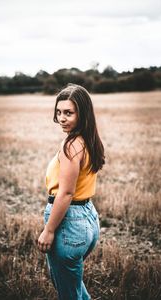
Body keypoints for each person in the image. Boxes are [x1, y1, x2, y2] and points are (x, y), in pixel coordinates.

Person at [38, 83, 105, 300]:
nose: (62, 118)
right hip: (87, 220)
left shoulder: (71, 146)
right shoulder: (88, 140)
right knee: (73, 287)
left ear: (82, 114)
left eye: (69, 112)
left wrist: (49, 230)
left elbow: (66, 193)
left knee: (69, 292)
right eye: (59, 112)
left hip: (69, 224)